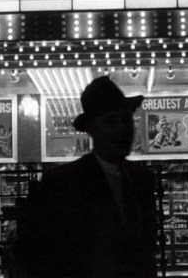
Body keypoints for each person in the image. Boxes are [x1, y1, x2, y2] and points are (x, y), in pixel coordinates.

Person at [28, 76, 157, 278]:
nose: (121, 129)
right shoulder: (62, 184)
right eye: (111, 121)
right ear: (92, 129)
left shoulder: (143, 180)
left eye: (125, 119)